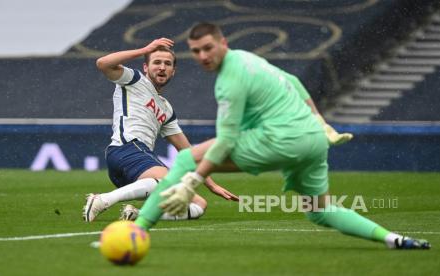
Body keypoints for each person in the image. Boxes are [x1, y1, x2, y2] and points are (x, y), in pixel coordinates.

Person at [134, 22, 430, 250]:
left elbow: (226, 141)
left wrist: (191, 182)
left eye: (208, 48)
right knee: (320, 211)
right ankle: (394, 239)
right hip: (313, 140)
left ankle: (138, 230)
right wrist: (320, 121)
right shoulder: (249, 58)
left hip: (281, 141)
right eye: (196, 51)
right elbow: (294, 80)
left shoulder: (229, 81)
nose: (202, 56)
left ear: (222, 43)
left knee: (187, 158)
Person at [83, 38, 238, 222]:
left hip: (137, 169)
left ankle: (137, 215)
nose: (162, 67)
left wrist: (212, 185)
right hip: (127, 149)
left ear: (173, 71)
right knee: (168, 181)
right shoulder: (135, 80)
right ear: (146, 67)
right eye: (156, 62)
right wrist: (145, 49)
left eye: (167, 63)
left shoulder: (166, 109)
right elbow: (103, 63)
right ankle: (102, 200)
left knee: (198, 205)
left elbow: (188, 152)